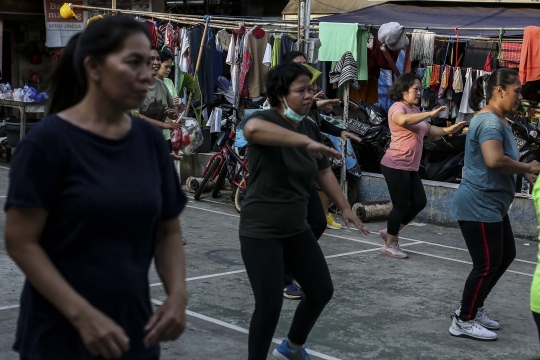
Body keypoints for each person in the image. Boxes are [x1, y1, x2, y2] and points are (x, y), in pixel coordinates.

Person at [4, 16, 188, 359]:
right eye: (133, 63)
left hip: (134, 331)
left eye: (149, 64)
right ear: (94, 67)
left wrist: (177, 295)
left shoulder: (149, 140)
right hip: (60, 335)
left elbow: (166, 231)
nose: (147, 76)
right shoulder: (47, 144)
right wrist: (82, 315)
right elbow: (21, 241)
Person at [240, 62, 370, 360]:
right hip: (261, 229)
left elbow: (322, 172)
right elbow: (252, 130)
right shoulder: (264, 119)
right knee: (269, 304)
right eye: (302, 90)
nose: (310, 95)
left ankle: (292, 347)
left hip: (295, 228)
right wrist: (304, 141)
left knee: (321, 290)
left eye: (311, 89)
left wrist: (345, 207)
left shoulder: (310, 124)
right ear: (279, 95)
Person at [450, 68, 540, 340]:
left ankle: (473, 308)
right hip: (479, 204)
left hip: (492, 205)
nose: (520, 97)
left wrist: (523, 172)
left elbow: (501, 161)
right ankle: (463, 319)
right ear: (500, 90)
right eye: (517, 91)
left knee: (505, 255)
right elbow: (493, 160)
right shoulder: (489, 122)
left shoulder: (500, 120)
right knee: (486, 264)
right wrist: (526, 165)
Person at [280, 52, 362, 301]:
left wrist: (345, 206)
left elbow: (323, 169)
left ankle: (288, 268)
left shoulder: (308, 117)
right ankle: (282, 276)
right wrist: (311, 104)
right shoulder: (274, 111)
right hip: (280, 189)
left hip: (304, 182)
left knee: (316, 222)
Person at [380, 73, 465, 259]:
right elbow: (403, 121)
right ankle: (390, 245)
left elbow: (427, 129)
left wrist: (449, 130)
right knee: (400, 205)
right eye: (415, 89)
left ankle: (390, 231)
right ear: (403, 91)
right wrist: (429, 113)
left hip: (410, 165)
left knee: (419, 202)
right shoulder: (398, 108)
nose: (419, 92)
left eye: (420, 89)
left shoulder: (414, 109)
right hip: (395, 164)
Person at [138, 45, 182, 153]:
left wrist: (173, 113)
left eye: (158, 59)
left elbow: (173, 107)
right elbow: (136, 116)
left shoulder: (162, 85)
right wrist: (164, 125)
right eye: (151, 59)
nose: (156, 62)